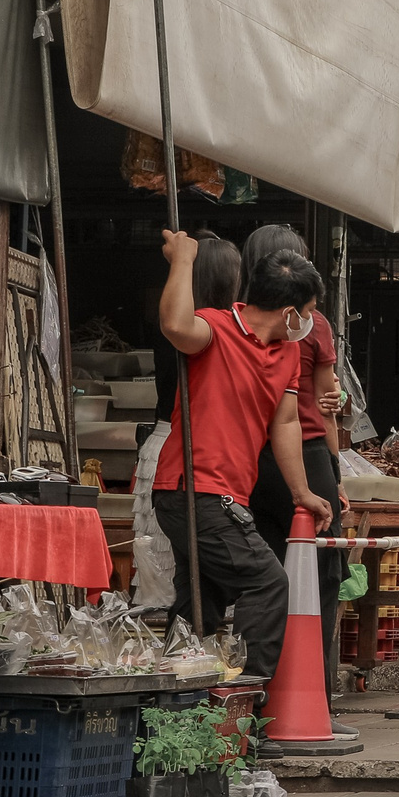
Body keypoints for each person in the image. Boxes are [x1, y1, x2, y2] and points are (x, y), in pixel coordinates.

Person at [153, 232, 334, 689]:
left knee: (201, 601)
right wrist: (183, 261)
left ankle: (177, 705)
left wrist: (302, 491)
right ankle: (248, 700)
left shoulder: (288, 351)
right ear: (290, 311)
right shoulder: (216, 327)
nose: (311, 322)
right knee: (267, 584)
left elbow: (286, 423)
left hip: (226, 494)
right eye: (309, 312)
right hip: (194, 491)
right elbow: (175, 326)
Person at [241, 224, 348, 689]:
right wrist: (335, 471)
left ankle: (254, 691)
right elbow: (328, 403)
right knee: (319, 578)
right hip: (303, 455)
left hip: (250, 459)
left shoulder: (237, 319)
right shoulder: (310, 324)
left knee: (260, 579)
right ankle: (312, 696)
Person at [135, 233, 241, 612]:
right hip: (185, 450)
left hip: (179, 449)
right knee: (178, 570)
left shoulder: (207, 326)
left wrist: (178, 262)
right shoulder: (191, 327)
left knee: (178, 572)